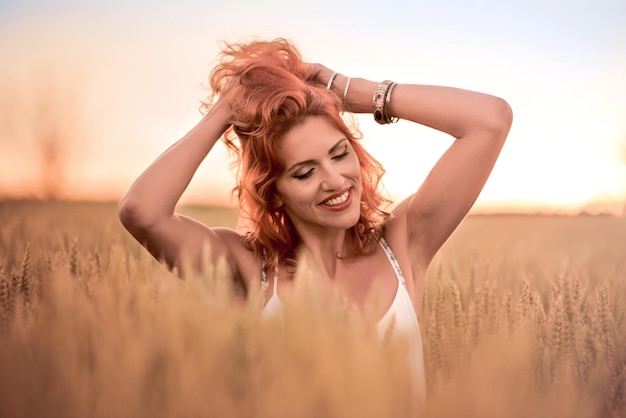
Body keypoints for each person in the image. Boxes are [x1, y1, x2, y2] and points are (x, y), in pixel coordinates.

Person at [118, 38, 512, 407]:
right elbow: (142, 212)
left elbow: (490, 120)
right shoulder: (250, 270)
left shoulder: (403, 244)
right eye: (305, 173)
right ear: (273, 193)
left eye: (340, 154)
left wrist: (353, 90)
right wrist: (226, 109)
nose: (336, 181)